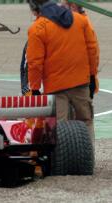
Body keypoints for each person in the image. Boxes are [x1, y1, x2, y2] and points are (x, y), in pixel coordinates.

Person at [26, 0, 98, 143]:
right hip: (81, 82)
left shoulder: (37, 28)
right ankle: (88, 159)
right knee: (86, 120)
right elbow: (92, 50)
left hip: (56, 88)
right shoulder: (81, 20)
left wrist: (34, 89)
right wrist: (92, 76)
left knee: (60, 127)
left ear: (36, 9)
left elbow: (35, 63)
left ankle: (64, 160)